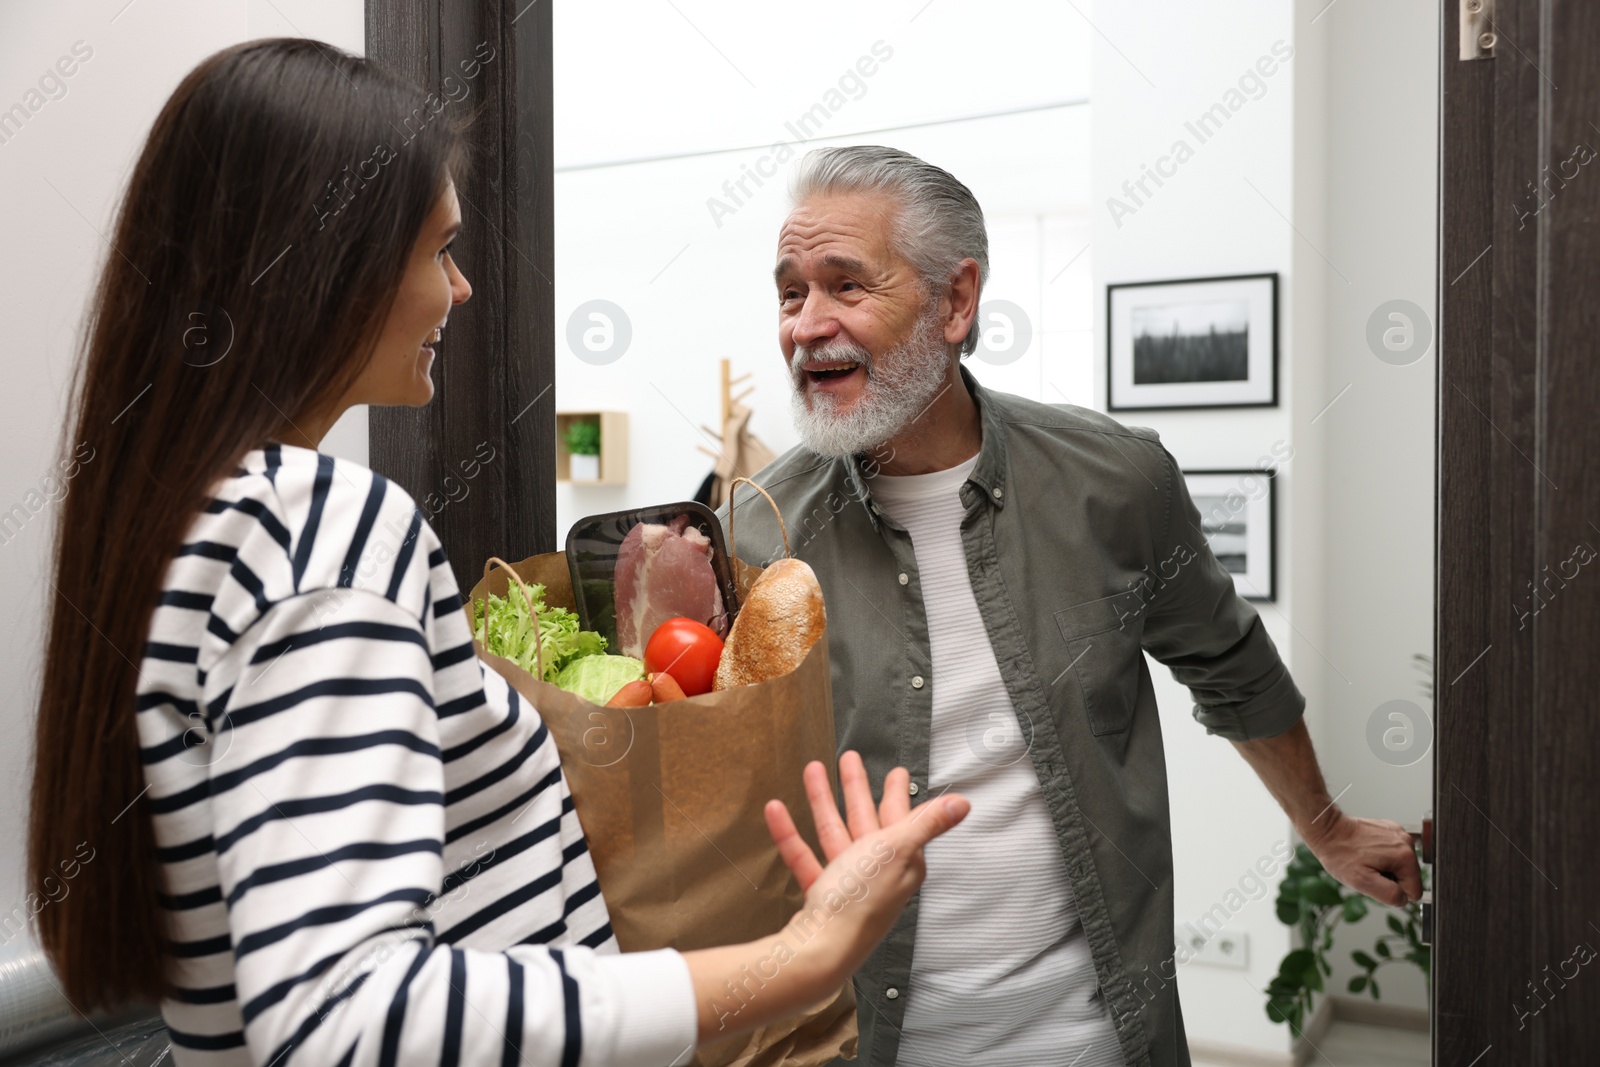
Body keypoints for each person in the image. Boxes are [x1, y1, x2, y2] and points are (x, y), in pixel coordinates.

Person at [26, 43, 968, 1067]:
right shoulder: (323, 520)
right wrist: (803, 952)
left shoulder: (192, 520)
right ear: (322, 262)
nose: (464, 288)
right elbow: (346, 1016)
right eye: (437, 250)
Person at [719, 146, 1425, 1067]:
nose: (807, 325)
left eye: (845, 286)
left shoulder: (1115, 481)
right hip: (864, 1041)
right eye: (789, 294)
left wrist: (1324, 826)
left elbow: (1231, 661)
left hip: (1094, 1038)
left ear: (956, 301)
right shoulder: (753, 534)